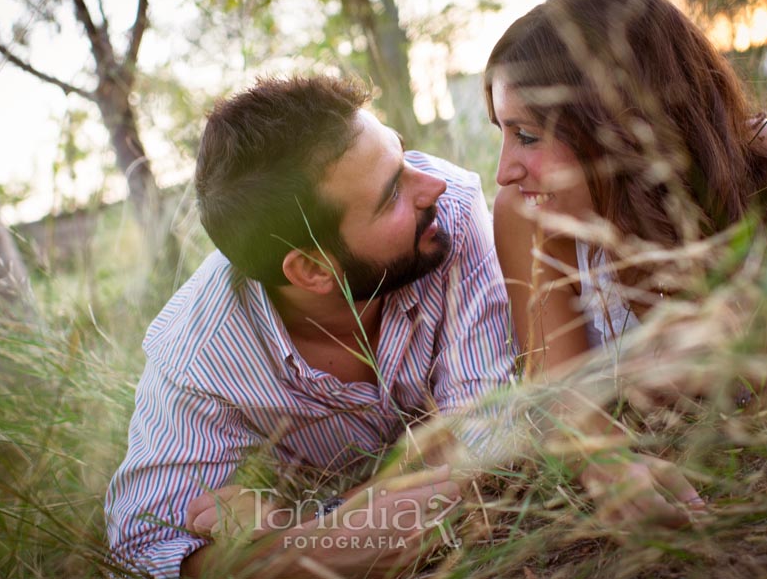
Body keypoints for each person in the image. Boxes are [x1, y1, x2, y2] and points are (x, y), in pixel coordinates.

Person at [105, 75, 517, 579]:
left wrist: (303, 528)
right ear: (314, 271)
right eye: (391, 196)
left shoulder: (447, 215)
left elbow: (483, 441)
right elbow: (139, 549)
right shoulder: (198, 353)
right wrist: (322, 550)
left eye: (403, 154)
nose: (432, 185)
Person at [486, 0, 767, 522]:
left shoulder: (764, 160)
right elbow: (559, 394)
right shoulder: (526, 212)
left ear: (619, 123)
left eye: (528, 136)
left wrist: (749, 346)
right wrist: (607, 464)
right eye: (503, 133)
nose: (504, 170)